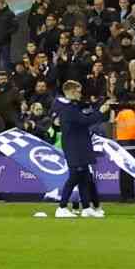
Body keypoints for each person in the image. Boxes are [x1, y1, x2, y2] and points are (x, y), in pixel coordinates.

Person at [52, 80, 103, 218]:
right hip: (74, 146)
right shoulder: (67, 109)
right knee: (75, 176)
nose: (80, 94)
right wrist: (101, 112)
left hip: (80, 144)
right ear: (72, 92)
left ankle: (86, 207)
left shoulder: (72, 107)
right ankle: (61, 207)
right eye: (78, 91)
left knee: (84, 177)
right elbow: (85, 121)